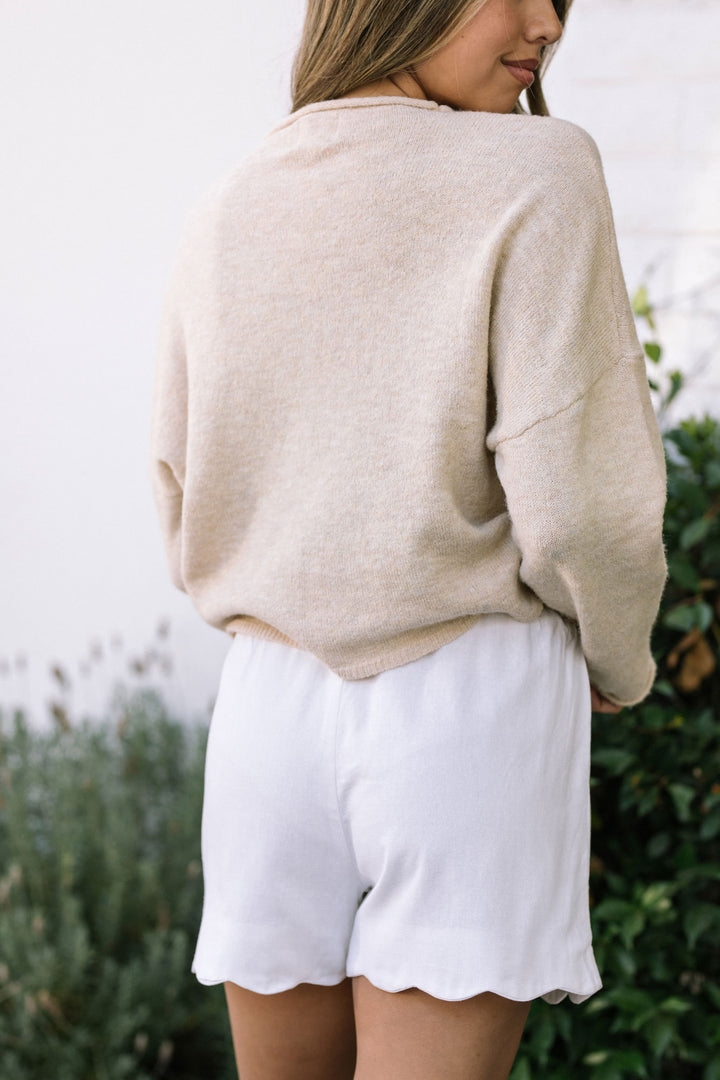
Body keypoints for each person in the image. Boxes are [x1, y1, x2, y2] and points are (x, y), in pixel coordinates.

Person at [148, 0, 669, 1076]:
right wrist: (618, 653)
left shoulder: (232, 196)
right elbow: (579, 501)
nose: (546, 23)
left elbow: (177, 483)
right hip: (466, 703)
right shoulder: (539, 169)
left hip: (266, 714)